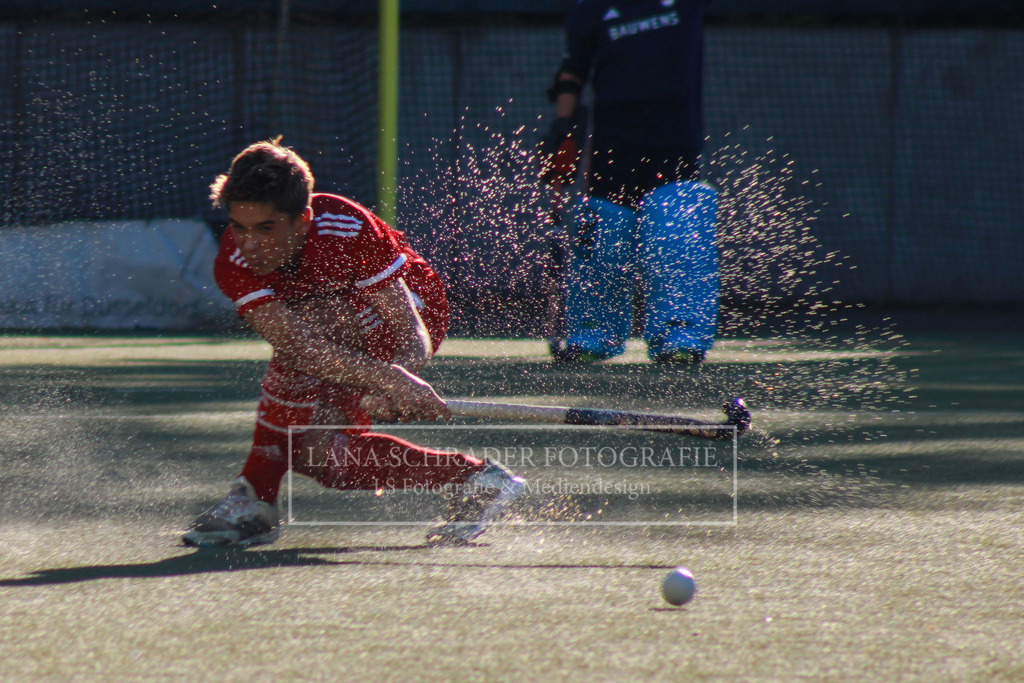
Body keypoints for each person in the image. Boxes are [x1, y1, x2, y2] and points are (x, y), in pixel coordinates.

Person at [183, 138, 525, 547]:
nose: (249, 244)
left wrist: (399, 376)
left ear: (304, 219)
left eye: (265, 228)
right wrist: (384, 381)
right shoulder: (234, 262)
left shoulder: (344, 226)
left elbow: (410, 330)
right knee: (309, 449)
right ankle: (475, 480)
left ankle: (256, 498)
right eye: (238, 226)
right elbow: (295, 343)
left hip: (411, 310)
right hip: (330, 340)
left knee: (313, 321)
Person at [540, 0, 719, 364]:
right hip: (612, 146)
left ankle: (678, 335)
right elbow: (572, 71)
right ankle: (592, 334)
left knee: (675, 238)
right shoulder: (591, 10)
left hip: (673, 144)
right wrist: (563, 130)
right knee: (603, 242)